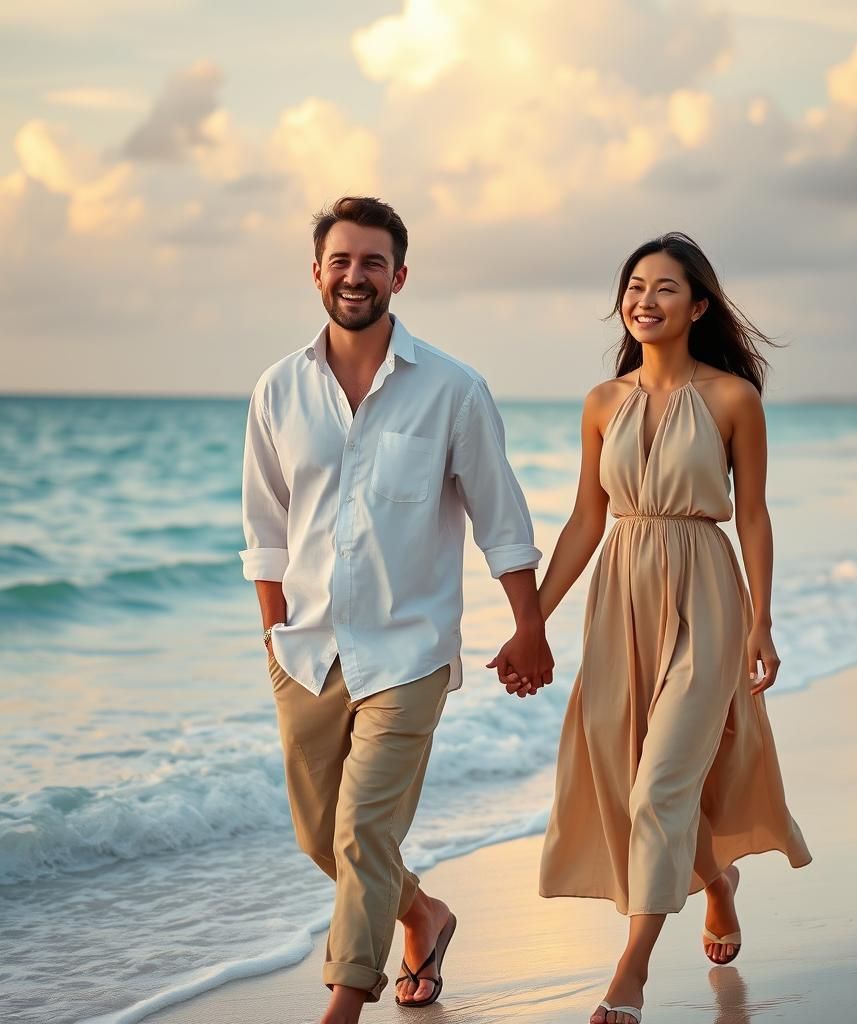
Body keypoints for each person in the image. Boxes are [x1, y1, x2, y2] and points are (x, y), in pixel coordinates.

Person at [240, 196, 554, 1024]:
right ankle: (423, 914)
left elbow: (501, 518)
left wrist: (529, 625)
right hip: (305, 650)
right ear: (317, 273)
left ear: (399, 276)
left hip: (408, 651)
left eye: (372, 262)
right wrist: (273, 630)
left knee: (359, 830)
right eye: (340, 261)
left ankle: (343, 1007)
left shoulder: (452, 390)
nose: (355, 276)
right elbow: (264, 527)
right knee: (324, 839)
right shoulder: (278, 389)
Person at [500, 233, 811, 1024]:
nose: (645, 299)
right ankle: (716, 880)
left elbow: (754, 514)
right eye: (635, 286)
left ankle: (630, 972)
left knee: (661, 782)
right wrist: (531, 619)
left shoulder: (735, 398)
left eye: (665, 288)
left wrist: (762, 621)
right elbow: (584, 520)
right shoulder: (603, 403)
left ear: (698, 305)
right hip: (621, 599)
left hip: (706, 596)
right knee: (630, 775)